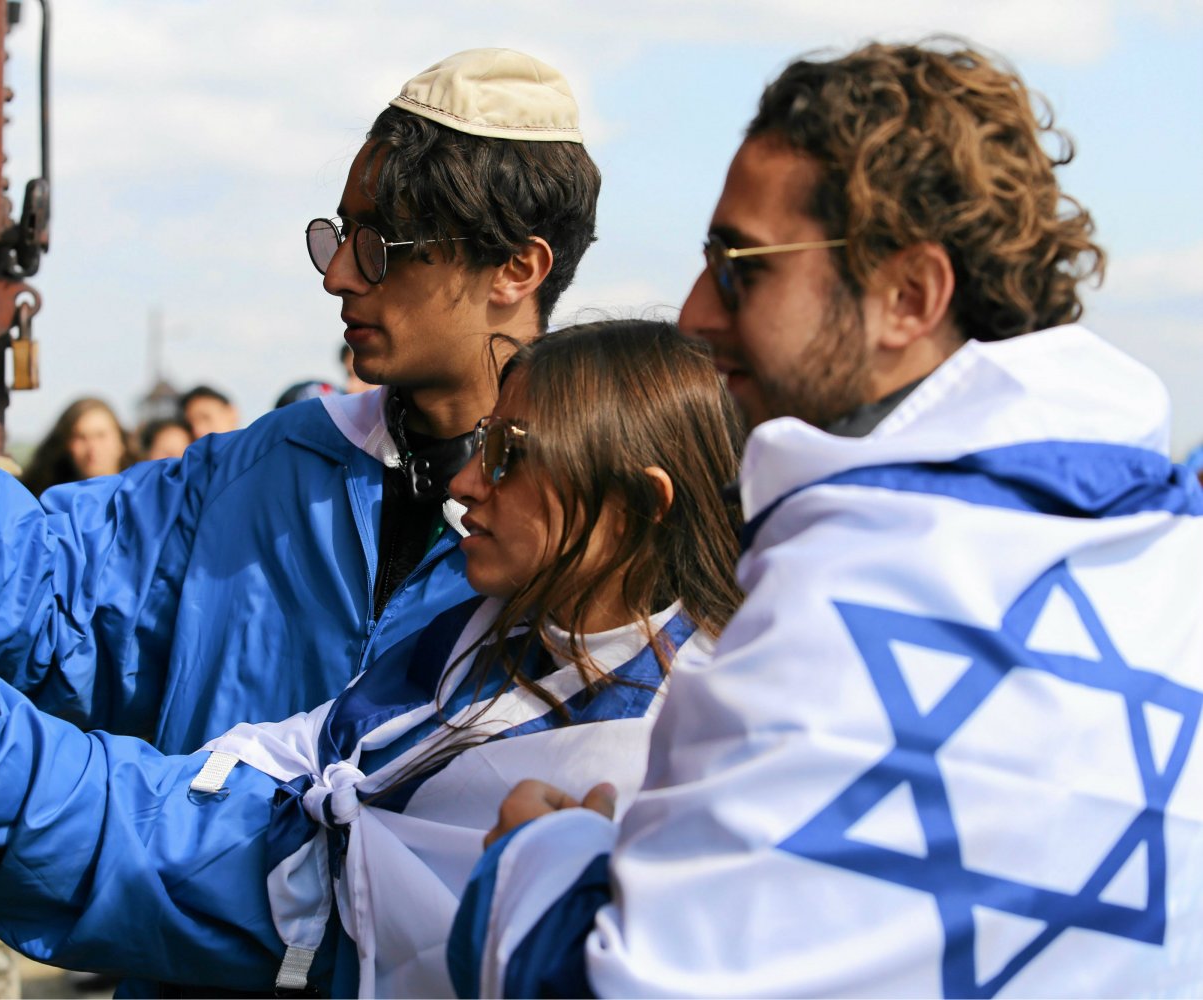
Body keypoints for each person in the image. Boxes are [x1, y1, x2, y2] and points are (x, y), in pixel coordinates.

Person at [452, 40, 1203, 998]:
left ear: (907, 296)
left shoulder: (839, 603)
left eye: (740, 267)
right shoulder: (1172, 555)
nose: (694, 313)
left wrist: (538, 861)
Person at [0, 321, 745, 997]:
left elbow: (245, 860)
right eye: (485, 444)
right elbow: (254, 811)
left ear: (633, 506)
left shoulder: (654, 762)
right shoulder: (483, 643)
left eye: (512, 456)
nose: (466, 484)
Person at [0, 48, 599, 781]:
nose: (337, 275)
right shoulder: (259, 468)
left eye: (379, 246)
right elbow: (64, 598)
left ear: (518, 268)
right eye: (339, 234)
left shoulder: (601, 521)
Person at [18, 396, 135, 497]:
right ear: (66, 445)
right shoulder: (49, 504)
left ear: (121, 442)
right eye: (81, 437)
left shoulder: (144, 498)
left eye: (101, 435)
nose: (92, 448)